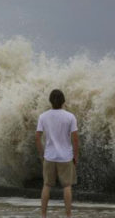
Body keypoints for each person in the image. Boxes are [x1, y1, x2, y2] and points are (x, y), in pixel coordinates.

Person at [35, 89, 79, 218]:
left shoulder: (43, 116)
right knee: (67, 186)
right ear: (63, 101)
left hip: (49, 156)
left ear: (50, 101)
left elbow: (37, 137)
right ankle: (68, 215)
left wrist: (41, 153)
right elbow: (75, 138)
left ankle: (43, 215)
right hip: (65, 157)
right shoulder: (70, 116)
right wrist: (76, 156)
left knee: (47, 185)